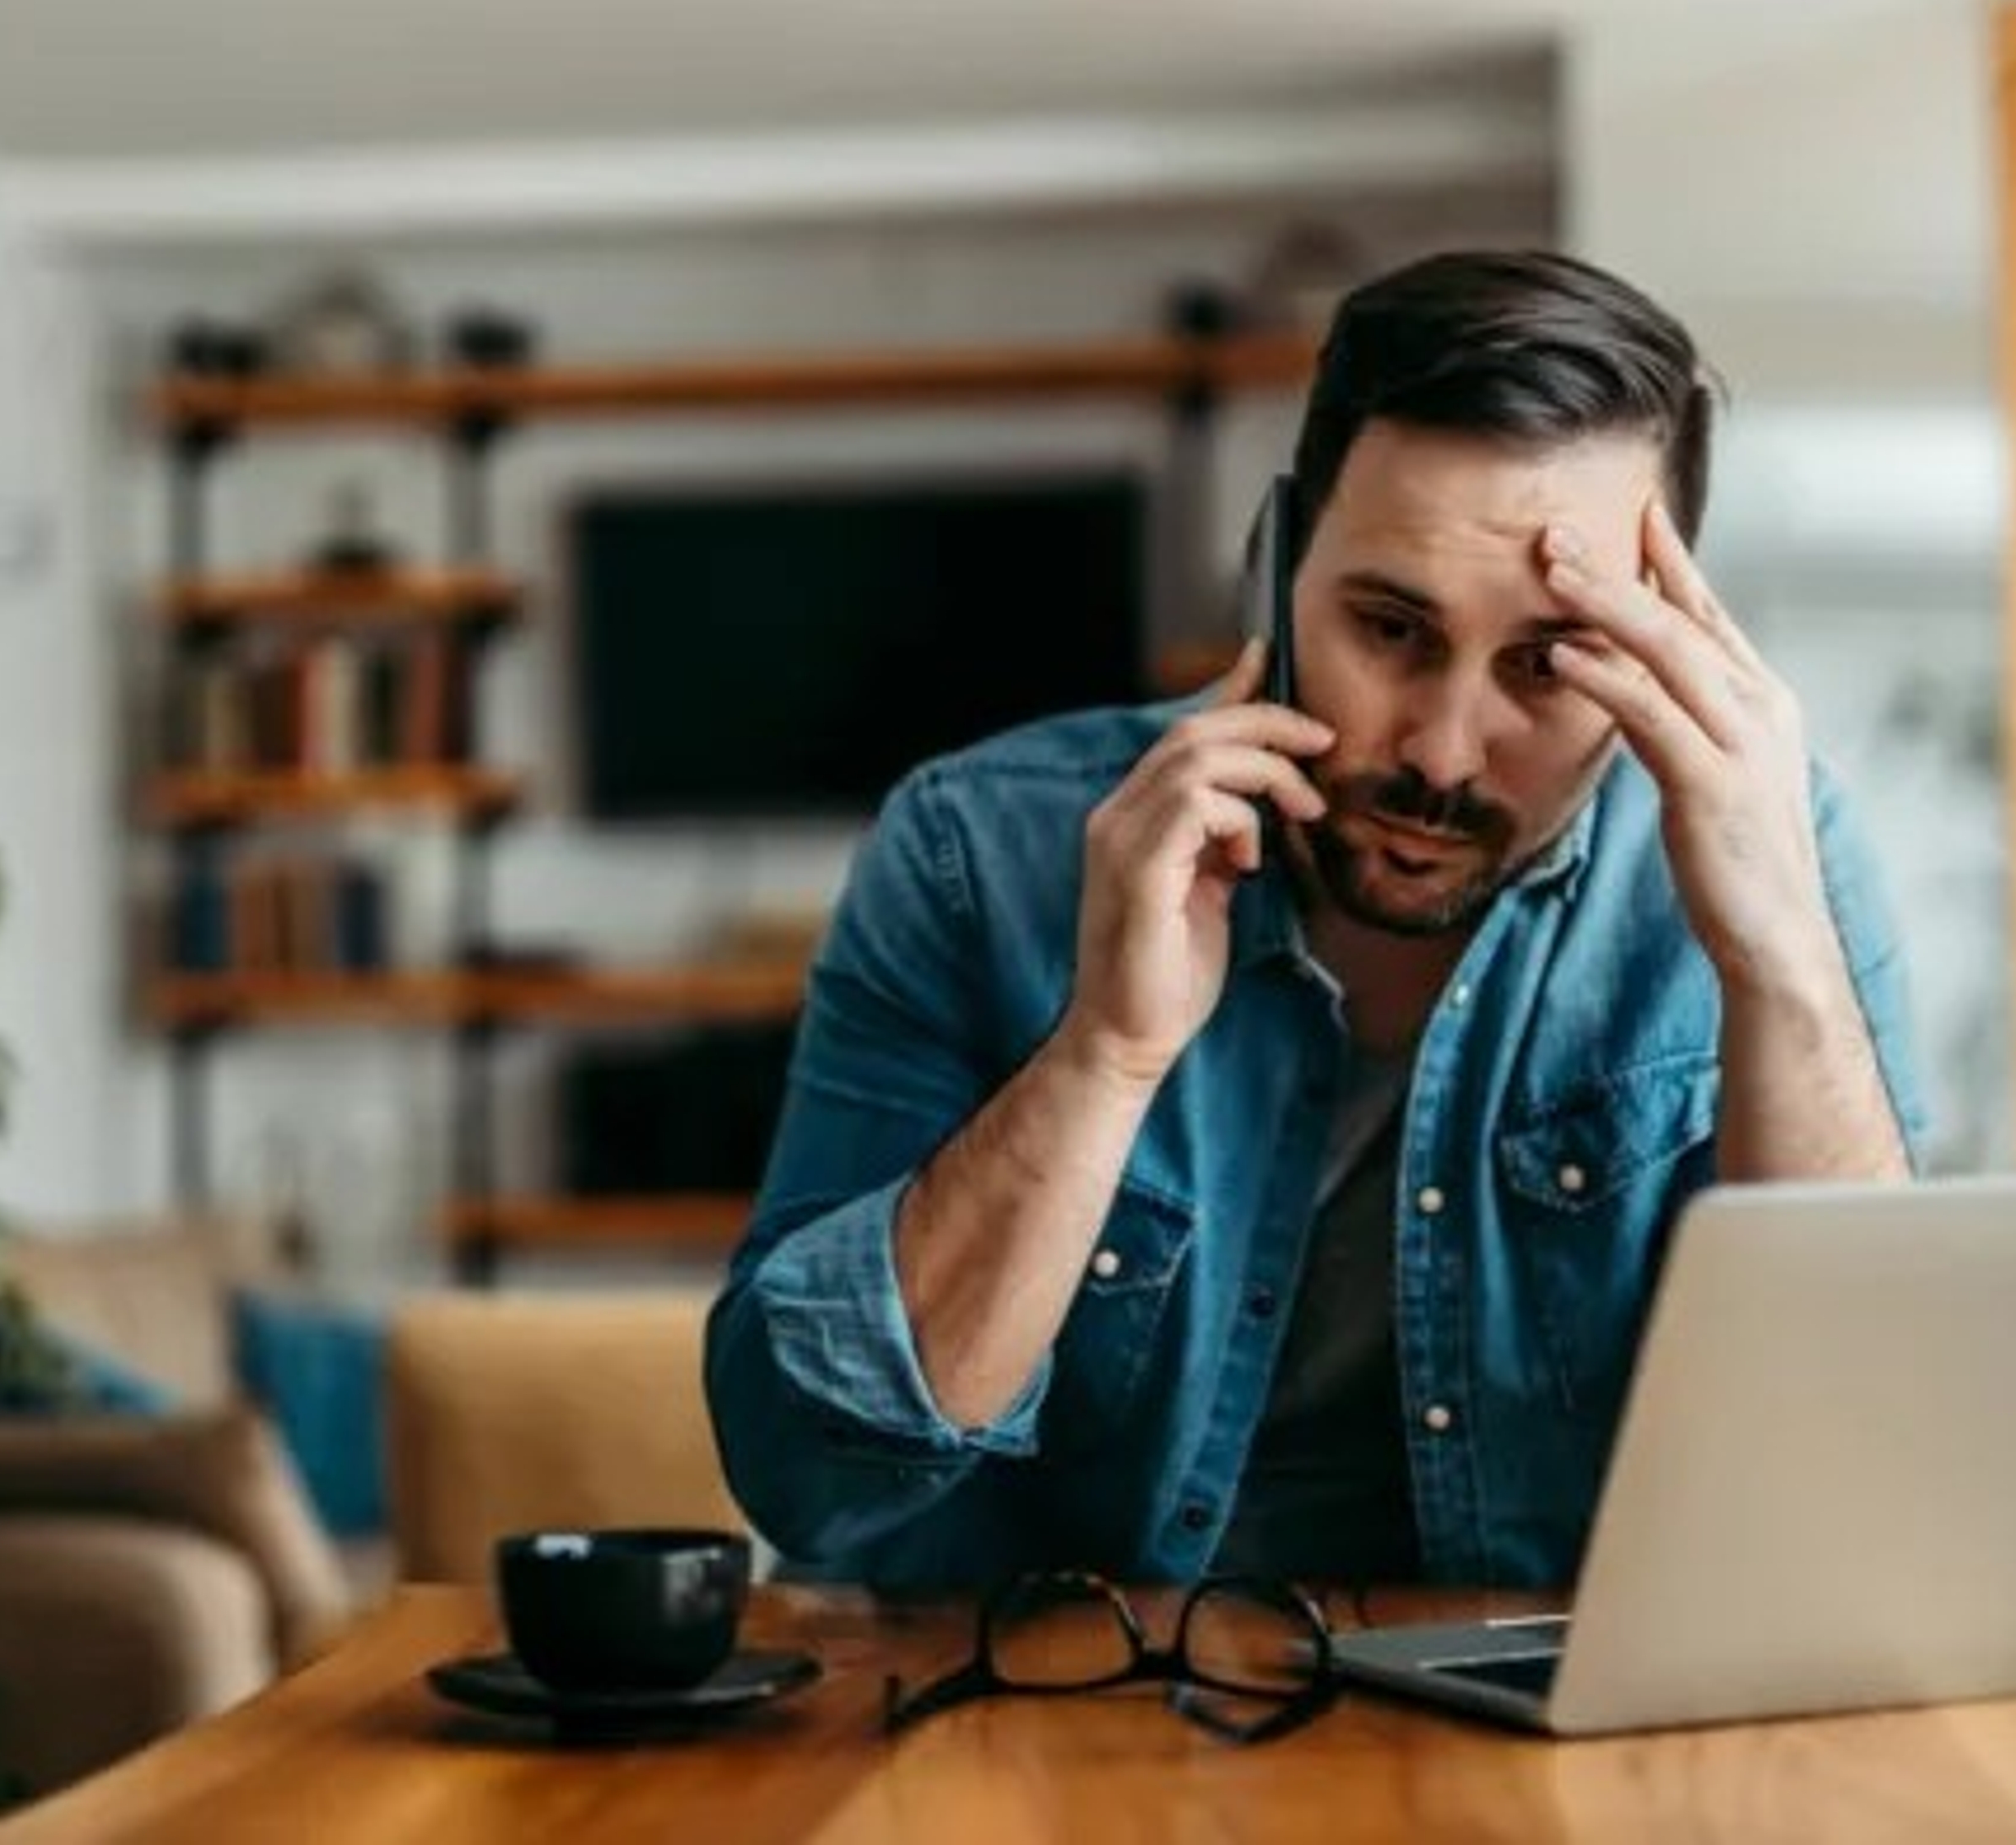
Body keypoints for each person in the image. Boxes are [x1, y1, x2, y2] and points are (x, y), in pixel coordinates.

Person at [702, 249, 1927, 1592]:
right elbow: (818, 1478)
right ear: (1273, 565)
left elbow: (1867, 1463)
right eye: (1392, 629)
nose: (1447, 752)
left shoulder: (1782, 856)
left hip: (1559, 1727)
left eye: (1547, 662)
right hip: (1067, 1721)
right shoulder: (974, 850)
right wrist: (1106, 1053)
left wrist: (1779, 970)